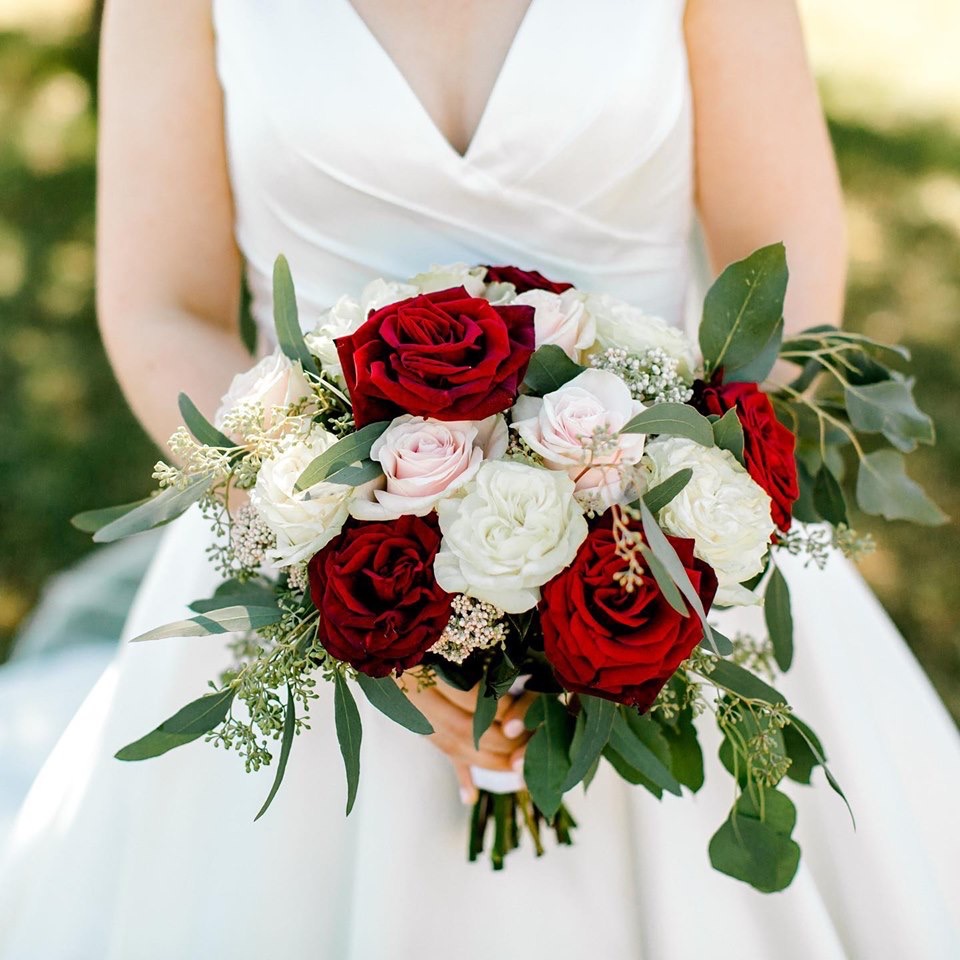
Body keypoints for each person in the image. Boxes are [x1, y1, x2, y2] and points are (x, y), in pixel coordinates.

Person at [1, 1, 958, 956]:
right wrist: (344, 575)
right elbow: (163, 306)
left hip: (659, 563)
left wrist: (633, 560)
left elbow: (779, 289)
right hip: (313, 560)